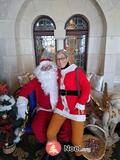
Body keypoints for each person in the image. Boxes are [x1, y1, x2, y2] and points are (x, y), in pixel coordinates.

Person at [16, 51, 71, 149]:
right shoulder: (38, 80)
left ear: (52, 67)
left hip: (59, 110)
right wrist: (22, 103)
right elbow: (25, 90)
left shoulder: (60, 76)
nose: (46, 69)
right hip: (44, 110)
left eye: (48, 66)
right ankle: (45, 144)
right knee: (37, 126)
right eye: (43, 67)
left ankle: (62, 143)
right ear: (39, 70)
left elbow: (72, 85)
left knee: (67, 127)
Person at [45, 49, 90, 159]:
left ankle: (79, 156)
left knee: (76, 142)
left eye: (62, 58)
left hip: (76, 109)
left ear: (67, 58)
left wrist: (81, 103)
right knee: (50, 133)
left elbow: (87, 87)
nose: (59, 61)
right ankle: (56, 153)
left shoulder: (76, 71)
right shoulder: (58, 72)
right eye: (57, 59)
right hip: (62, 108)